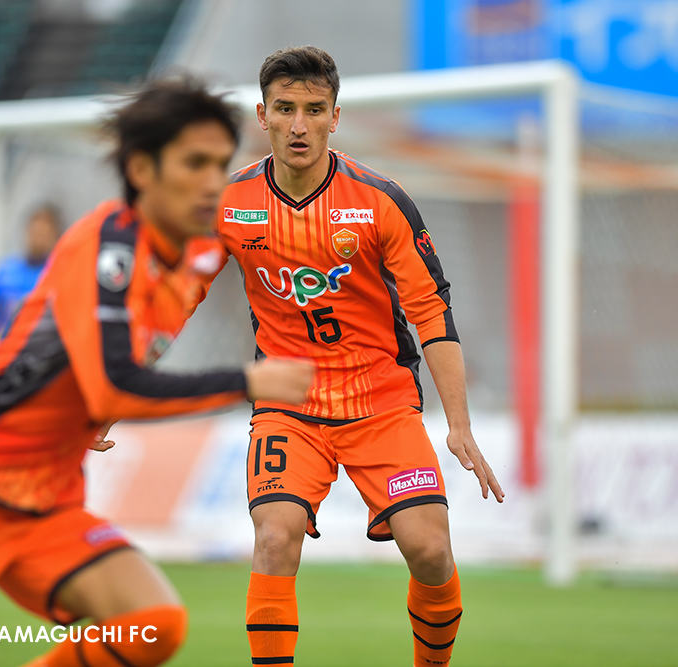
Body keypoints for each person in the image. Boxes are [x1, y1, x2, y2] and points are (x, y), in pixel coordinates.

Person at [0, 77, 314, 667]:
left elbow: (120, 365)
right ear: (142, 170)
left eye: (221, 164)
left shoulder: (197, 252)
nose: (214, 182)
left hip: (45, 502)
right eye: (195, 163)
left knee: (151, 623)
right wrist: (245, 382)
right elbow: (113, 383)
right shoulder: (107, 246)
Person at [216, 47, 505, 667]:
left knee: (430, 550)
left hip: (381, 405)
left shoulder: (379, 200)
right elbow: (174, 297)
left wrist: (458, 424)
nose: (299, 125)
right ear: (262, 116)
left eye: (313, 110)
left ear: (335, 117)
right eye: (285, 109)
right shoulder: (230, 203)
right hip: (288, 405)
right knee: (274, 538)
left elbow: (431, 309)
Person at [0, 204, 63, 342]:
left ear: (54, 237)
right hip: (7, 346)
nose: (38, 239)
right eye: (35, 233)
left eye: (43, 235)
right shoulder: (4, 272)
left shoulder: (58, 275)